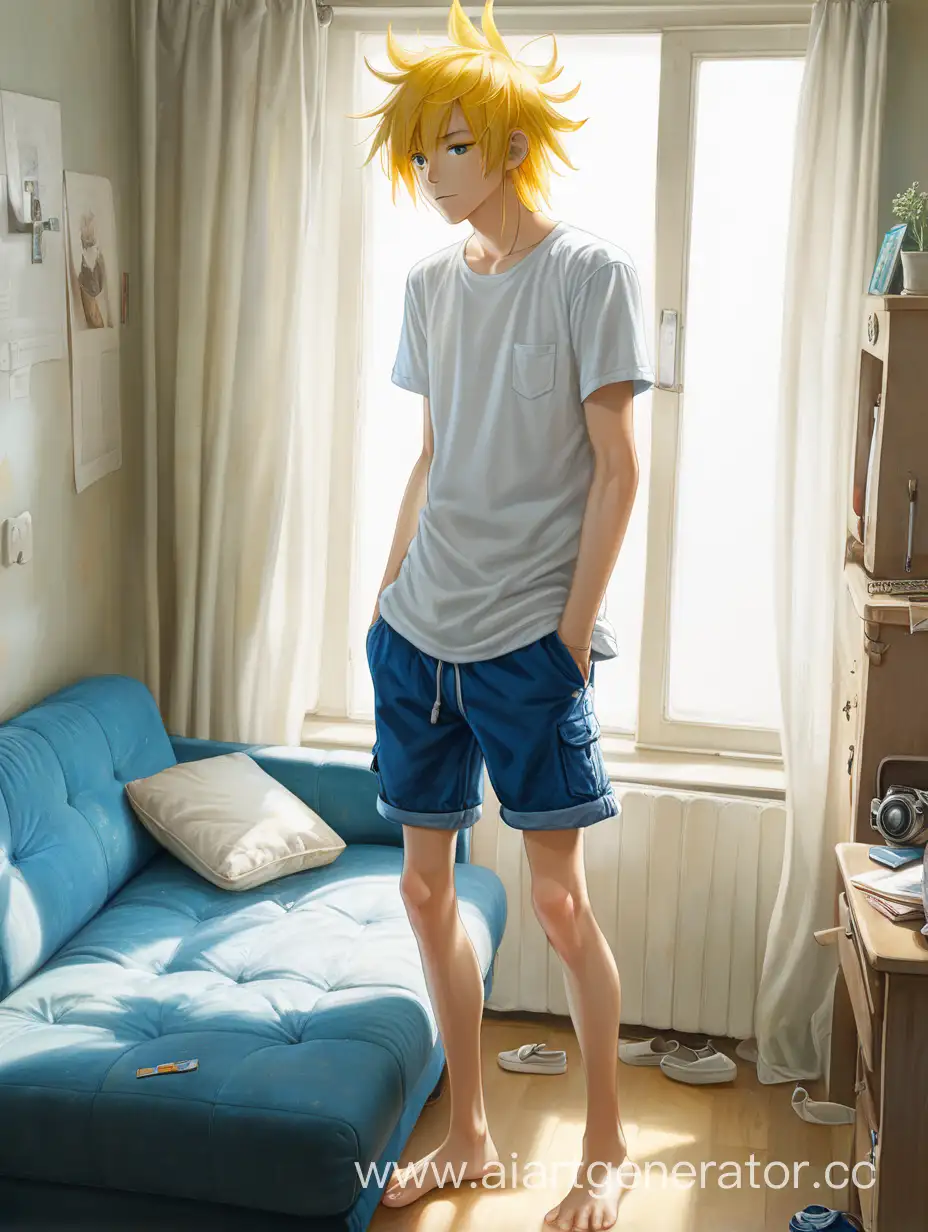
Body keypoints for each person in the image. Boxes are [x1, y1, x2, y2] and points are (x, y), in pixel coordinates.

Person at [352, 2, 653, 1227]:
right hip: (418, 634)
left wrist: (572, 635)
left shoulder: (591, 274)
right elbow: (430, 454)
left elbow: (621, 468)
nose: (433, 172)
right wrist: (382, 595)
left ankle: (605, 1144)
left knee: (557, 900)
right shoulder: (430, 284)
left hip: (530, 641)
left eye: (455, 146)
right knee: (424, 891)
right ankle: (469, 1128)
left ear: (515, 144)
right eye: (423, 150)